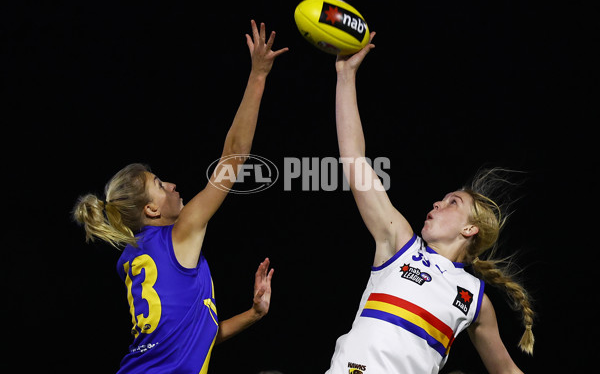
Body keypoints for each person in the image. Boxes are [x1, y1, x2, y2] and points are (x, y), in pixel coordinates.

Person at [73, 20, 287, 373]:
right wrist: (259, 74)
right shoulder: (180, 234)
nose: (172, 185)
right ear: (152, 209)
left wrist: (254, 314)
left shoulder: (135, 256)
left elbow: (195, 336)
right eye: (159, 184)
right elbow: (234, 157)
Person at [326, 32, 534, 374]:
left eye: (452, 202)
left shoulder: (474, 298)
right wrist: (345, 77)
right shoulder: (400, 245)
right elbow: (354, 161)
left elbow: (506, 371)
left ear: (470, 229)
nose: (437, 203)